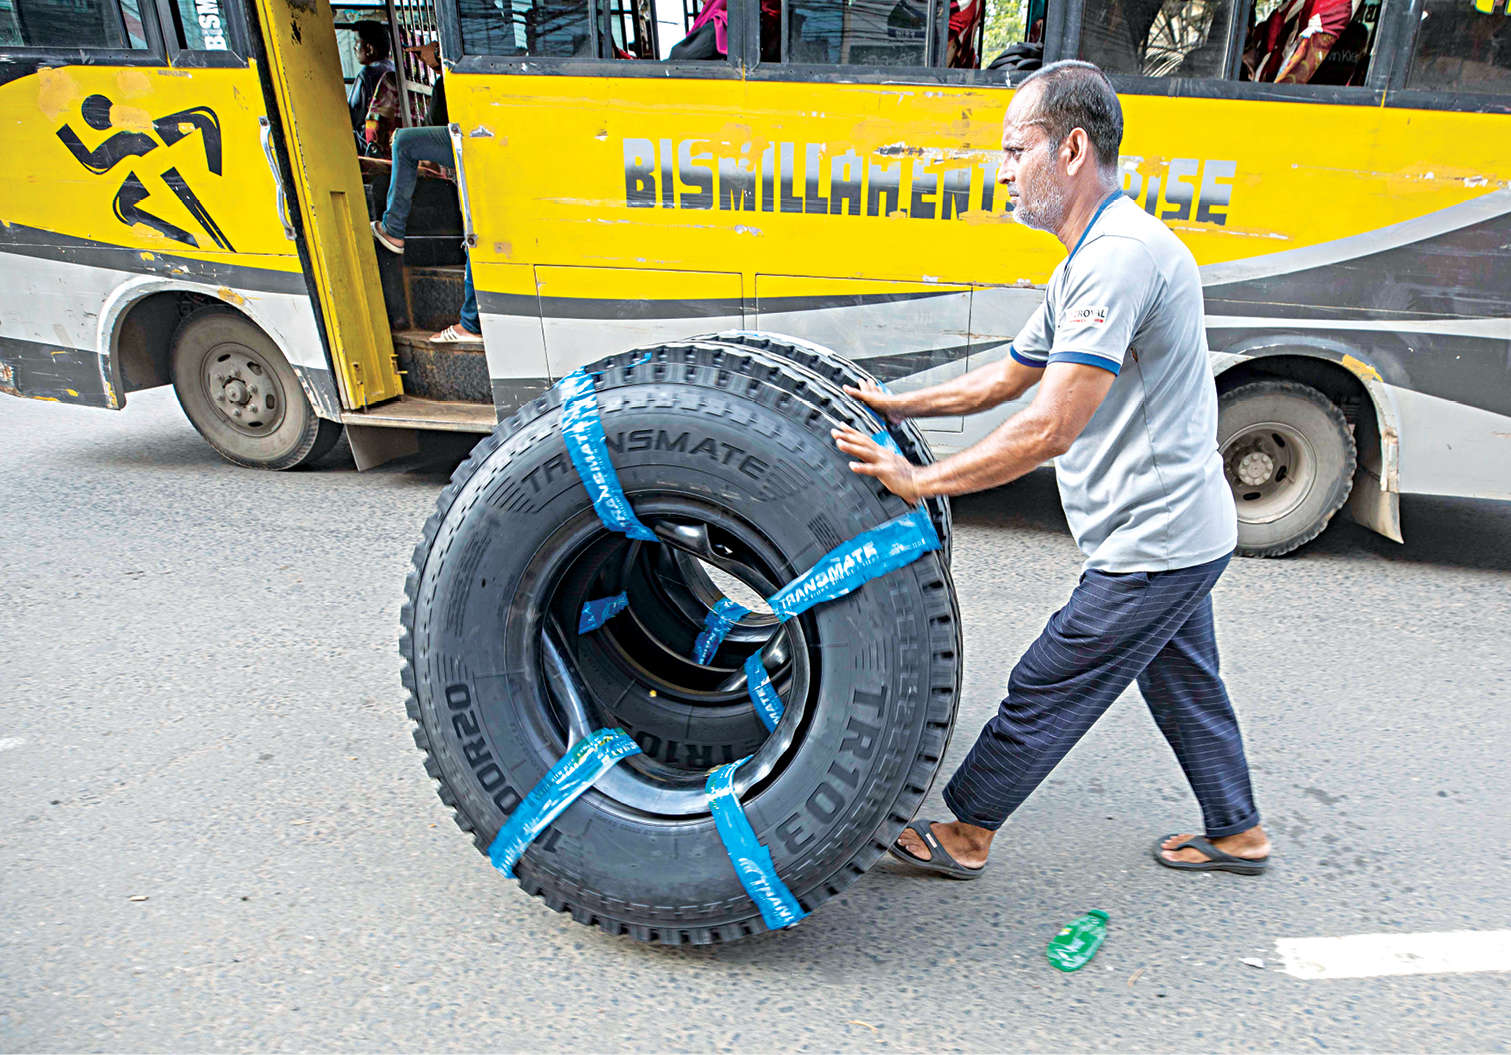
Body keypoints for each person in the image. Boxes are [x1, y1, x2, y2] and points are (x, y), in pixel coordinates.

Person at [832, 60, 1271, 879]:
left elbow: (1048, 427)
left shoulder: (1118, 258)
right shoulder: (1088, 257)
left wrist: (918, 481)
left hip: (1154, 538)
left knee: (1049, 677)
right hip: (1181, 528)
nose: (1001, 170)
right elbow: (1006, 378)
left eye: (1014, 149)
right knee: (1181, 679)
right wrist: (893, 405)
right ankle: (1238, 830)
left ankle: (967, 830)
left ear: (1070, 149)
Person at [369, 41, 481, 346]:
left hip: (480, 140)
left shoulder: (453, 77)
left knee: (405, 142)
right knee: (476, 235)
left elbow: (438, 122)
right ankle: (470, 321)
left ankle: (393, 228)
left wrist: (443, 64)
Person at [349, 21, 398, 156]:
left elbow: (352, 115)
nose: (354, 48)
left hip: (370, 146)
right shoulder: (393, 69)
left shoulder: (366, 75)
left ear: (369, 49)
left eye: (356, 42)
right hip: (392, 142)